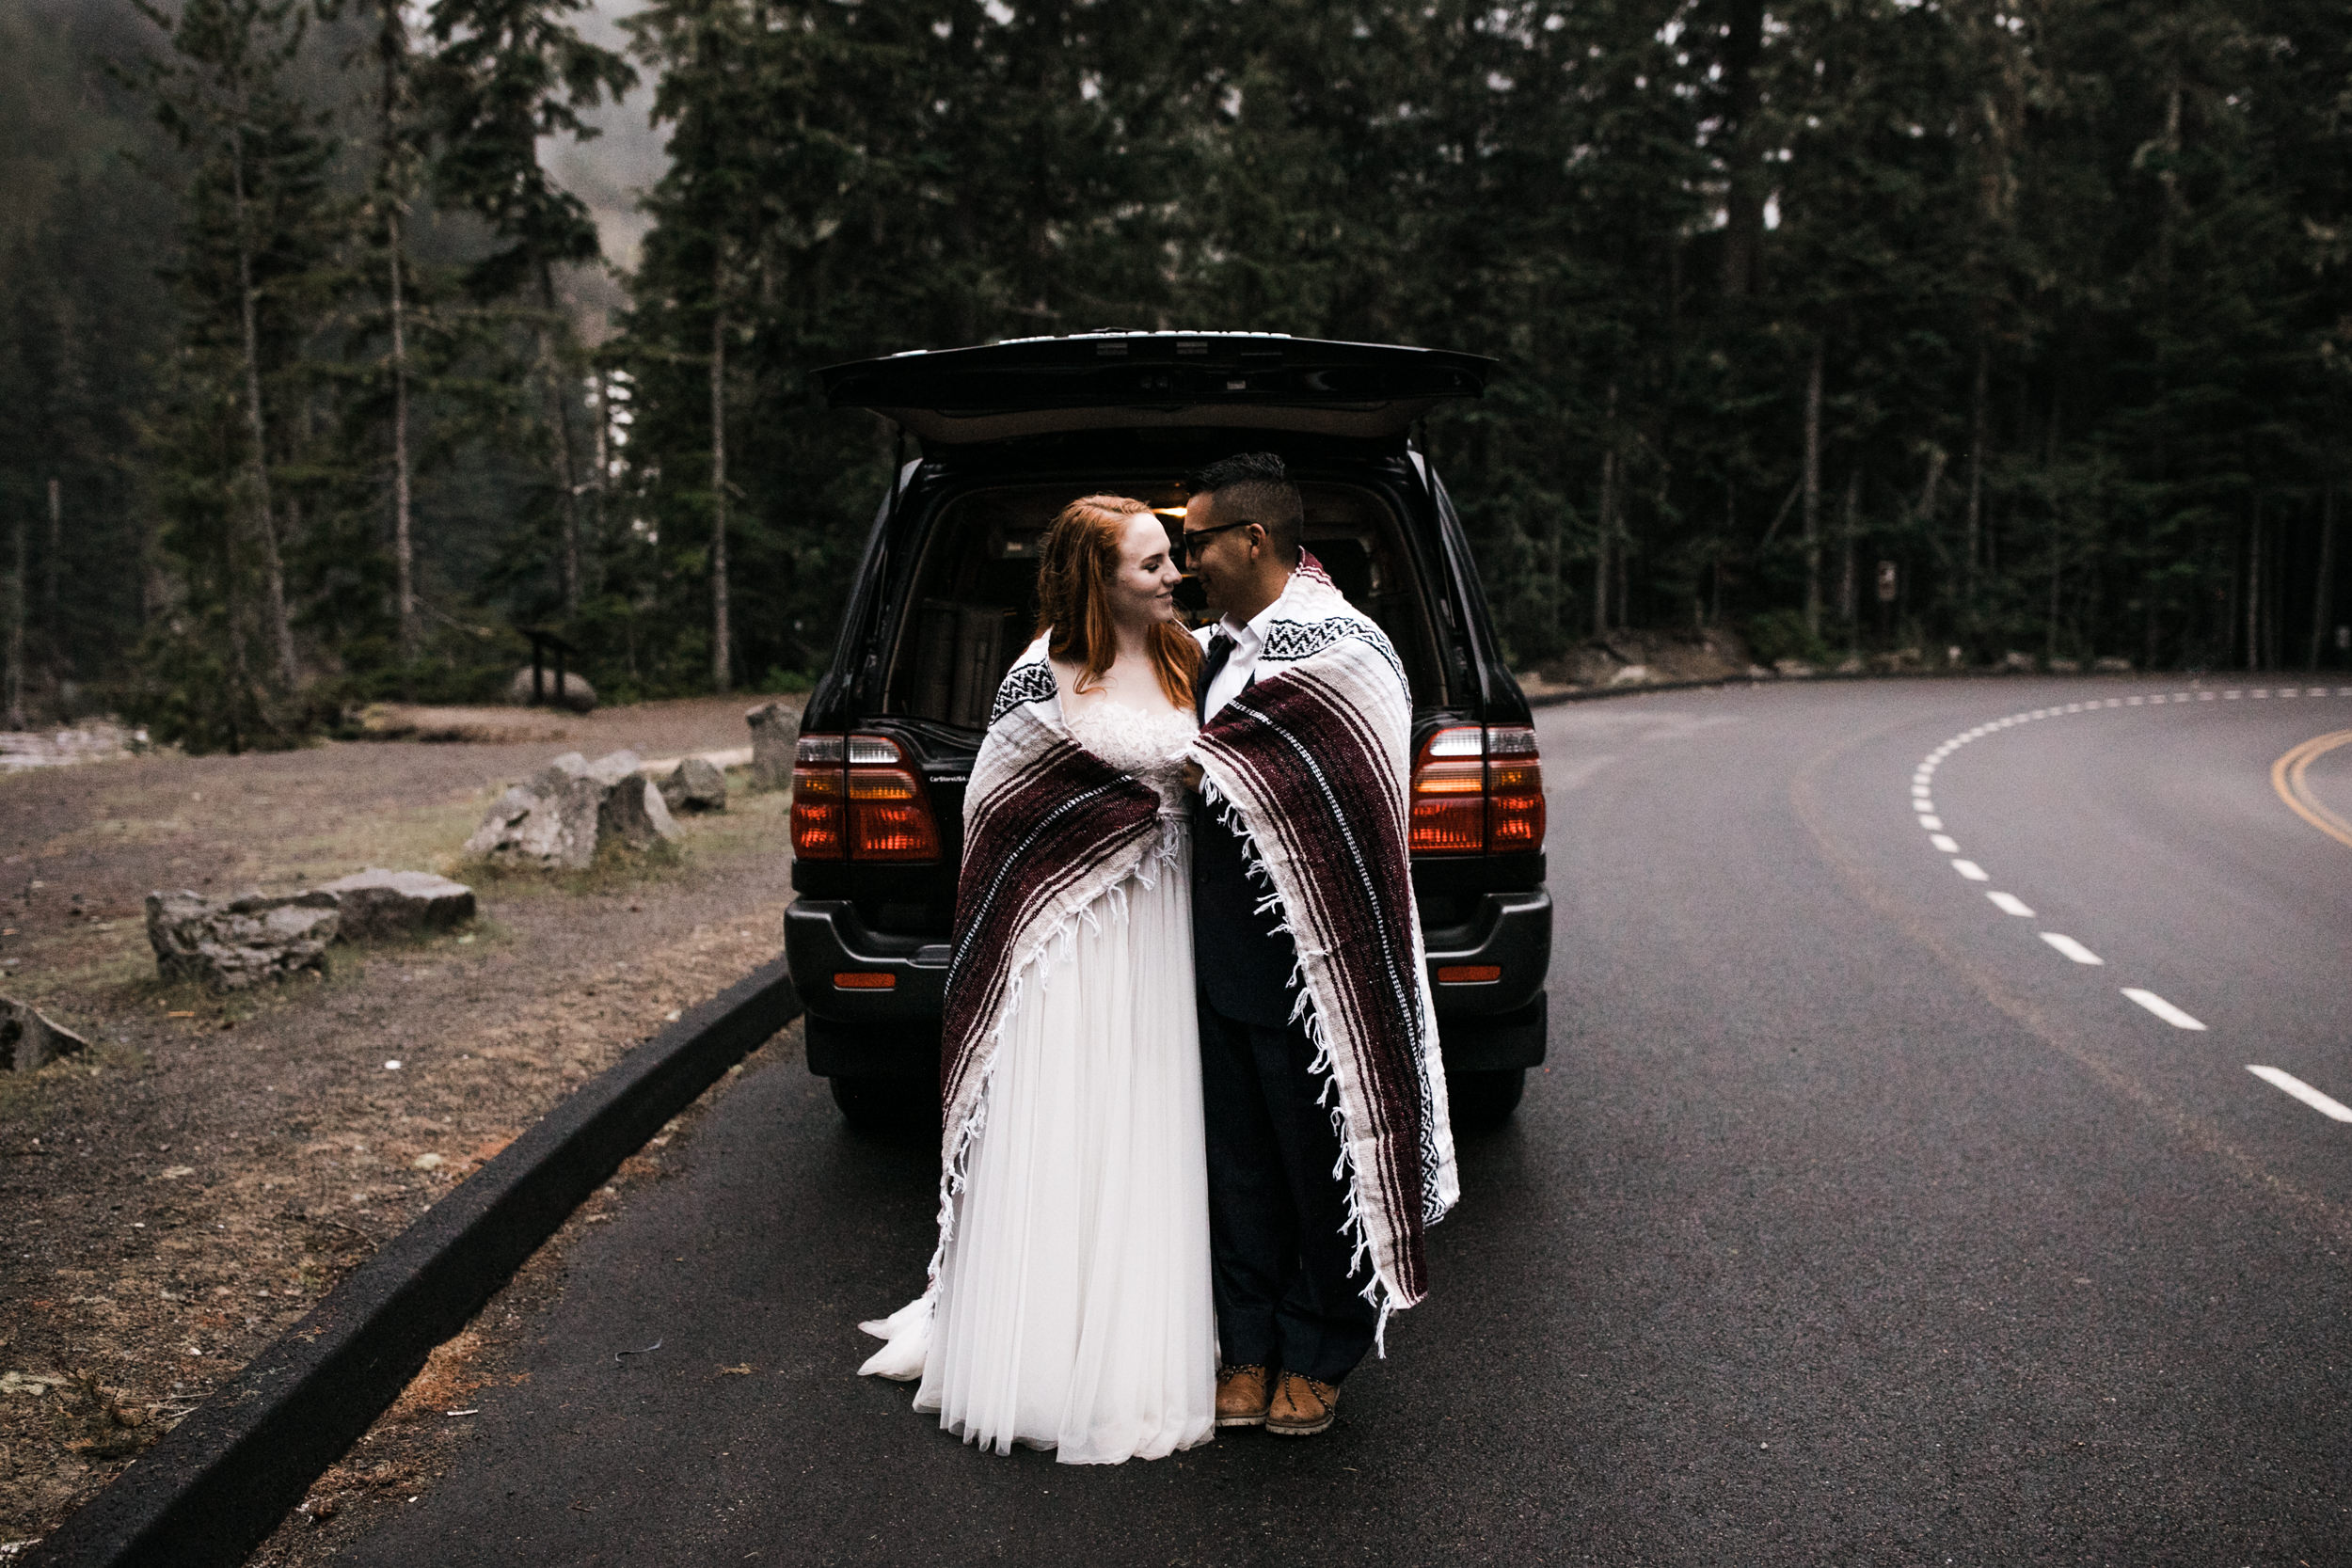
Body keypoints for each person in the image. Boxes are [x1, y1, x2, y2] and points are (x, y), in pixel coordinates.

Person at [857, 494, 1215, 1465]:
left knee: (1151, 1120)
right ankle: (1049, 1355)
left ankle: (1145, 1334)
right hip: (1070, 932)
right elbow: (996, 812)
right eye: (1149, 565)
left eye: (1170, 557)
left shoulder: (1193, 655)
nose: (1171, 575)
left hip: (1164, 924)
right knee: (1072, 1119)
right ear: (1096, 579)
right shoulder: (1040, 673)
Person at [1181, 451, 1459, 1438]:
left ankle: (1321, 1344)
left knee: (1319, 1161)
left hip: (1314, 964)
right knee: (1239, 1166)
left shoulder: (1347, 645)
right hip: (1214, 953)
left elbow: (1254, 770)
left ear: (1251, 539)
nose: (1187, 561)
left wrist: (1169, 756)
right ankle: (1246, 1341)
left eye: (1198, 541)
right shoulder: (1208, 650)